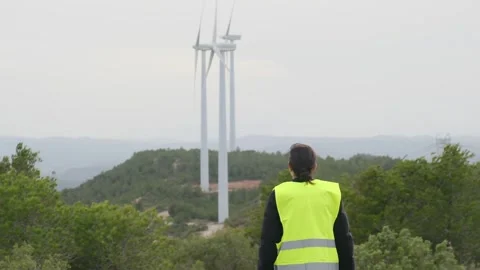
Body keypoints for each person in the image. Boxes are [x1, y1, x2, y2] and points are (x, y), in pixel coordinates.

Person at [257, 143, 355, 270]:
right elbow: (344, 243)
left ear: (290, 167)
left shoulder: (279, 194)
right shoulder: (331, 193)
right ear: (314, 166)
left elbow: (267, 245)